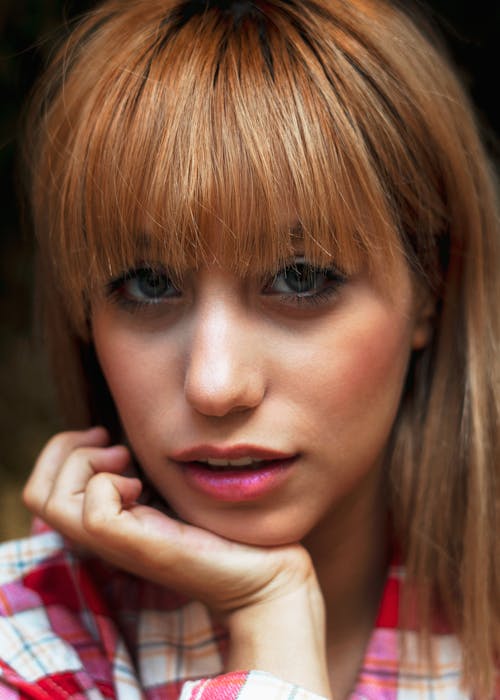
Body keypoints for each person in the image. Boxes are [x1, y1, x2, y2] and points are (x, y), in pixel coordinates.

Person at [1, 0, 498, 697]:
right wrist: (271, 618)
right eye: (148, 283)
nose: (216, 384)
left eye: (301, 277)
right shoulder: (25, 638)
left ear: (430, 287)